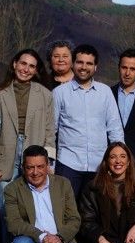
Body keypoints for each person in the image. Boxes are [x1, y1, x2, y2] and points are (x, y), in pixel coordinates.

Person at [0, 47, 55, 243]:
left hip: (33, 157)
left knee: (32, 211)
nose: (26, 69)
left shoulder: (44, 94)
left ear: (36, 70)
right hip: (4, 157)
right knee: (6, 212)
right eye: (23, 63)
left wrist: (49, 162)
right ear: (14, 64)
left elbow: (49, 131)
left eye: (32, 66)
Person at [3, 146, 87, 243]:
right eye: (30, 167)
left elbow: (74, 219)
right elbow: (14, 223)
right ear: (23, 168)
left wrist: (58, 239)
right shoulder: (12, 189)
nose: (35, 172)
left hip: (61, 240)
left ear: (48, 165)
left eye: (40, 166)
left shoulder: (63, 184)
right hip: (31, 241)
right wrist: (43, 237)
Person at [52, 43, 125, 201]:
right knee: (65, 209)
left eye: (89, 63)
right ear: (73, 64)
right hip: (68, 164)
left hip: (99, 165)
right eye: (80, 62)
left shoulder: (105, 92)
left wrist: (119, 160)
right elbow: (50, 131)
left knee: (95, 210)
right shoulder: (59, 93)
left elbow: (115, 129)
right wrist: (50, 164)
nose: (84, 67)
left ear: (95, 67)